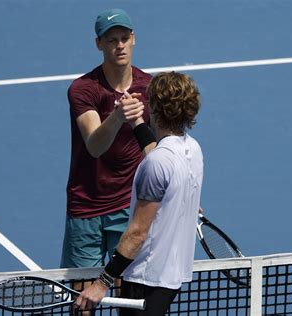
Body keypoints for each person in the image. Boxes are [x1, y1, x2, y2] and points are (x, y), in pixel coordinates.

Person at [75, 71, 204, 315]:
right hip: (171, 276)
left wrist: (102, 283)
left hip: (144, 279)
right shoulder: (193, 149)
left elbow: (137, 233)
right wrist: (135, 123)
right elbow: (161, 162)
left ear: (154, 107)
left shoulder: (155, 164)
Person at [61, 8, 156, 276]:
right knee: (81, 297)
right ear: (99, 44)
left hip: (129, 207)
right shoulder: (83, 89)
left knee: (129, 289)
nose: (119, 46)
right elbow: (94, 146)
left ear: (133, 39)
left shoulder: (149, 88)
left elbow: (155, 150)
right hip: (85, 208)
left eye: (124, 38)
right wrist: (117, 117)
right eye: (112, 40)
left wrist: (177, 187)